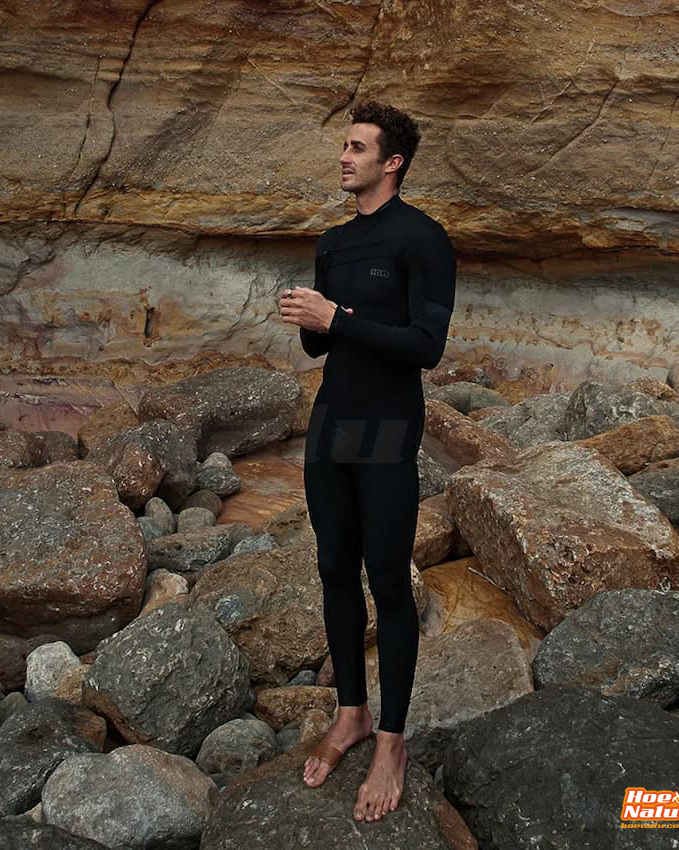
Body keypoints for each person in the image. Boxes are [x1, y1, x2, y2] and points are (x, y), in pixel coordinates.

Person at [279, 100, 456, 822]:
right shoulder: (334, 242)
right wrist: (310, 318)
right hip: (332, 423)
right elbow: (320, 346)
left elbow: (425, 346)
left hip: (386, 423)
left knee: (386, 578)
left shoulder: (423, 239)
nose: (344, 157)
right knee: (333, 567)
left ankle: (392, 742)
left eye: (358, 147)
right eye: (344, 146)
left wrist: (339, 318)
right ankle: (350, 712)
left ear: (393, 162)